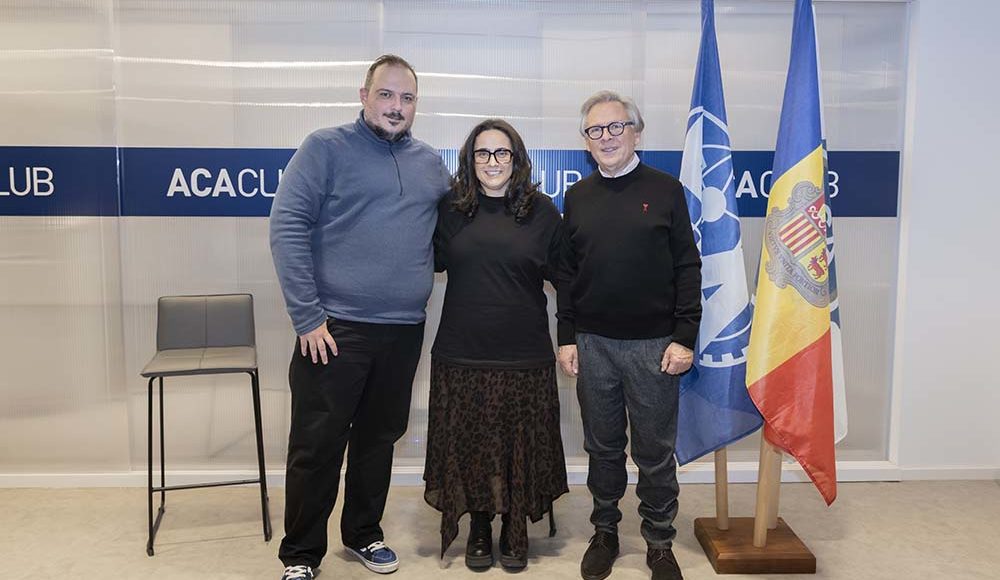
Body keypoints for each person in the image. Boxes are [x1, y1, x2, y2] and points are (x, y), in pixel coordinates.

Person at [269, 54, 451, 580]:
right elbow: (287, 227)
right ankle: (301, 554)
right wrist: (307, 317)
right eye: (386, 94)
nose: (396, 106)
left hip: (403, 329)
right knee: (317, 445)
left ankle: (363, 534)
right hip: (333, 329)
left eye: (407, 98)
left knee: (378, 439)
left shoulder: (429, 163)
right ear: (364, 96)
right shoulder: (325, 148)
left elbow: (458, 227)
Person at [556, 91, 702, 580]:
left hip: (655, 347)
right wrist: (567, 336)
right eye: (595, 130)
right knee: (602, 448)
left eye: (616, 127)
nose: (607, 137)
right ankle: (605, 532)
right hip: (593, 345)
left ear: (636, 132)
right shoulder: (577, 197)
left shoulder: (666, 190)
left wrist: (685, 335)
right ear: (586, 141)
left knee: (655, 453)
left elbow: (687, 266)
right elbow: (566, 274)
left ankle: (659, 541)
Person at [423, 119, 569, 571]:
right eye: (482, 153)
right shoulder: (450, 210)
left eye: (501, 152)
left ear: (517, 159)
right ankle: (481, 526)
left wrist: (571, 339)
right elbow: (420, 261)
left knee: (516, 447)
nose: (492, 162)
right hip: (462, 352)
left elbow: (569, 281)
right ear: (469, 161)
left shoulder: (542, 212)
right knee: (472, 446)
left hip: (524, 355)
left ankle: (513, 527)